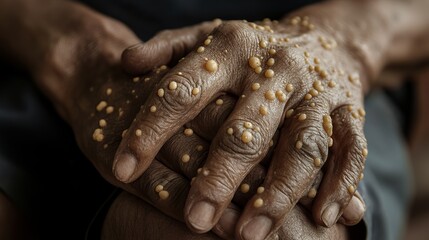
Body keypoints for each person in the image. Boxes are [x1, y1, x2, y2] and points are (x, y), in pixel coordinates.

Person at [0, 0, 426, 239]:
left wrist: (338, 42)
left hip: (327, 65)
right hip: (52, 47)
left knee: (285, 228)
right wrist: (79, 52)